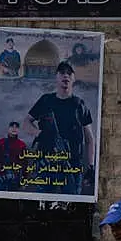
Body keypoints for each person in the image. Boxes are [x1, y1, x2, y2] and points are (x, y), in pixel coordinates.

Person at [23, 61, 95, 195]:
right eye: (62, 73)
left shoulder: (79, 105)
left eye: (69, 73)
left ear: (73, 78)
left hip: (72, 166)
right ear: (56, 77)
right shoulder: (46, 100)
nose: (65, 76)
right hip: (47, 165)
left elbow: (90, 139)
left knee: (72, 206)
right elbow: (26, 123)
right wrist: (39, 133)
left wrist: (91, 166)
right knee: (42, 204)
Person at [0, 121, 27, 191]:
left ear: (18, 130)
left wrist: (24, 181)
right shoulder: (1, 142)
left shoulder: (22, 145)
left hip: (14, 178)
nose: (14, 128)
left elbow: (25, 164)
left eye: (16, 127)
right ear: (8, 129)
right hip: (0, 176)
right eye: (12, 126)